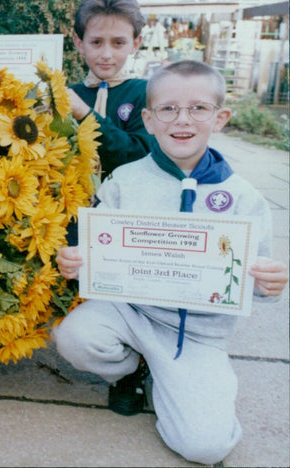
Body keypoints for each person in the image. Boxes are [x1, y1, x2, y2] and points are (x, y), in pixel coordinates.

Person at [53, 61, 289, 465]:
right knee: (73, 336)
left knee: (205, 446)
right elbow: (99, 257)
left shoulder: (244, 197)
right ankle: (130, 368)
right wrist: (76, 262)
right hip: (131, 313)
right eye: (168, 109)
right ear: (148, 118)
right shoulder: (124, 181)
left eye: (198, 108)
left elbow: (253, 277)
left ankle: (175, 382)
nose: (182, 120)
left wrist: (268, 282)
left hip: (198, 334)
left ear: (221, 118)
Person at [68, 0, 152, 180]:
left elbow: (138, 154)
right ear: (79, 43)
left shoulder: (146, 93)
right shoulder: (70, 95)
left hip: (126, 204)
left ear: (135, 43)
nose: (106, 54)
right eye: (96, 42)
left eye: (118, 43)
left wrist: (85, 115)